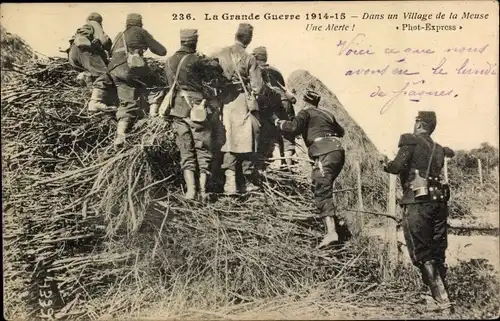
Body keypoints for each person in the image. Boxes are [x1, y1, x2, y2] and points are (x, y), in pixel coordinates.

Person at [382, 111, 455, 312]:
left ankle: (442, 301)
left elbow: (396, 167)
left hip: (417, 202)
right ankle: (437, 295)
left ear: (418, 123)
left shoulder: (410, 141)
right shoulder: (439, 148)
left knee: (421, 251)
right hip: (439, 202)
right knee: (436, 250)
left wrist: (384, 165)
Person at [273, 90, 351, 247]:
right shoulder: (327, 113)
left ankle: (331, 233)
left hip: (324, 152)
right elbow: (341, 132)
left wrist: (277, 122)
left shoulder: (305, 112)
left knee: (321, 190)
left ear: (305, 102)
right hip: (337, 152)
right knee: (324, 186)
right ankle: (336, 224)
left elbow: (293, 127)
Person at [163, 29, 224, 202]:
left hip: (177, 110)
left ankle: (190, 192)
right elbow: (216, 69)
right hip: (197, 109)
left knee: (186, 151)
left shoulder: (169, 61)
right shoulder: (196, 59)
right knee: (202, 149)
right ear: (194, 42)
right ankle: (203, 192)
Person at [211, 23, 271, 195]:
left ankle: (229, 184)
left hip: (225, 101)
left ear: (235, 35)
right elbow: (258, 87)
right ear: (249, 39)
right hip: (242, 102)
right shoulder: (249, 58)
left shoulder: (221, 53)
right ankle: (245, 182)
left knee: (228, 140)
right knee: (247, 139)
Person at [106, 13, 167, 148]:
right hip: (130, 67)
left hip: (114, 70)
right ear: (140, 23)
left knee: (127, 102)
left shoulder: (119, 35)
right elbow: (162, 51)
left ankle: (120, 135)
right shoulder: (140, 32)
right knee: (157, 84)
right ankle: (153, 118)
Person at [252, 46, 297, 169]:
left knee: (271, 132)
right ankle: (288, 163)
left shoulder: (256, 70)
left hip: (271, 101)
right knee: (287, 134)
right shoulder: (276, 71)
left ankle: (277, 164)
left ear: (255, 58)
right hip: (285, 102)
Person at [67, 12, 115, 111]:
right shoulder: (94, 24)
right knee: (103, 74)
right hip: (84, 50)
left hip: (73, 54)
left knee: (92, 73)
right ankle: (95, 102)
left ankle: (87, 84)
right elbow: (104, 41)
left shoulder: (81, 30)